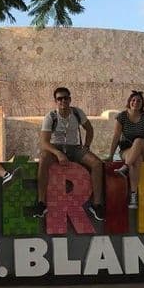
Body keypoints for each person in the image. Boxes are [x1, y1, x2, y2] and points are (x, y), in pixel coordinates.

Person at [30, 87, 105, 221]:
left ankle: (97, 204)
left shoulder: (77, 113)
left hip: (74, 148)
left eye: (65, 98)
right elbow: (44, 142)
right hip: (55, 147)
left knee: (97, 164)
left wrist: (86, 146)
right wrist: (58, 153)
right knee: (43, 159)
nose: (63, 100)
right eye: (60, 98)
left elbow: (89, 129)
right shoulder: (51, 116)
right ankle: (41, 202)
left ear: (70, 99)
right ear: (56, 101)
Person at [107, 90, 144, 209]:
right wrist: (110, 155)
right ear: (129, 102)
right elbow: (116, 137)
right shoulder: (122, 116)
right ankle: (134, 196)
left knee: (138, 141)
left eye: (139, 100)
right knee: (137, 158)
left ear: (142, 103)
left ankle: (125, 167)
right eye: (133, 100)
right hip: (127, 150)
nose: (136, 102)